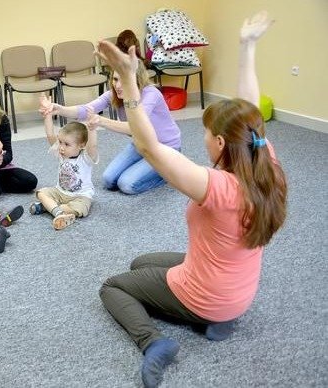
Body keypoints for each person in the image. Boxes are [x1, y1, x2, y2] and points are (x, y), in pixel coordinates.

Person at [96, 11, 287, 388]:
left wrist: (131, 82)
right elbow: (248, 111)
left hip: (207, 296)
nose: (202, 138)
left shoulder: (216, 186)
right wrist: (247, 46)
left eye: (206, 132)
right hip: (239, 293)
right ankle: (218, 320)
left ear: (219, 142)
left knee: (114, 286)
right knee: (141, 262)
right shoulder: (266, 162)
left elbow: (149, 148)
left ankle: (155, 342)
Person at [40, 30, 180, 195]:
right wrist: (59, 109)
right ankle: (149, 166)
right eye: (115, 79)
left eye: (123, 80)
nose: (118, 86)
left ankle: (168, 172)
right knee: (108, 180)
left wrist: (101, 121)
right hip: (140, 145)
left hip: (163, 148)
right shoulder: (114, 94)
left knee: (126, 185)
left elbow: (133, 128)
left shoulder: (151, 94)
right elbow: (87, 109)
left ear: (135, 80)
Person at [31, 95, 99, 230]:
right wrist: (48, 114)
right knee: (41, 193)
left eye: (67, 144)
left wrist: (92, 129)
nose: (61, 147)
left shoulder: (87, 157)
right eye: (60, 142)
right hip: (60, 192)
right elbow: (50, 135)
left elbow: (92, 146)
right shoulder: (61, 153)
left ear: (81, 145)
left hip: (81, 196)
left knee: (81, 209)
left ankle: (50, 208)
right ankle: (58, 212)